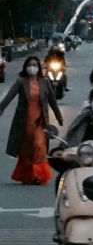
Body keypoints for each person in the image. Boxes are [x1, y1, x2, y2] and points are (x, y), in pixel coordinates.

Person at [0, 55, 63, 185]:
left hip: (40, 122)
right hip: (24, 122)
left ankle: (38, 175)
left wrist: (58, 116)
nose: (32, 67)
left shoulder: (45, 82)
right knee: (26, 150)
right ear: (25, 67)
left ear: (38, 67)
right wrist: (1, 109)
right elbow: (9, 97)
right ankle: (28, 175)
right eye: (29, 65)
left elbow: (52, 100)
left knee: (39, 145)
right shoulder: (21, 82)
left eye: (34, 65)